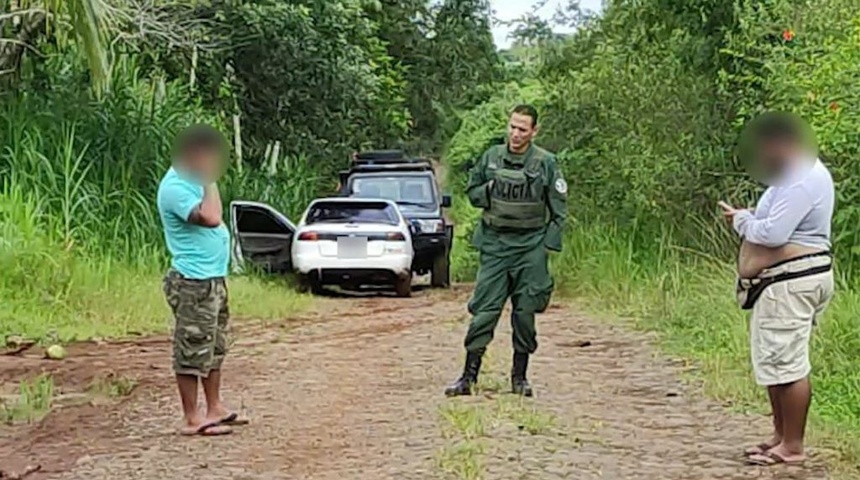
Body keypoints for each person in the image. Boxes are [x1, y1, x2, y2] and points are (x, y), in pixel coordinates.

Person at [721, 112, 834, 466]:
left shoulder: (800, 178)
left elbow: (772, 234)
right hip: (780, 282)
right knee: (775, 359)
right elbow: (777, 221)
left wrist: (741, 220)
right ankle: (780, 436)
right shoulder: (792, 176)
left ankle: (793, 445)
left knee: (788, 363)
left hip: (791, 282)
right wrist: (754, 216)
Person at [444, 104, 568, 398]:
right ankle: (467, 377)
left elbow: (558, 209)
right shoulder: (491, 158)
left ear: (534, 132)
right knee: (484, 311)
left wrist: (547, 246)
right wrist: (489, 189)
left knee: (525, 312)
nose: (515, 134)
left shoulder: (545, 162)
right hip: (496, 244)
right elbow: (473, 194)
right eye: (512, 127)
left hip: (530, 246)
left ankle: (519, 378)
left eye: (522, 129)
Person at [157, 124, 249, 436]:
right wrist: (209, 180)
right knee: (192, 348)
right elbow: (210, 217)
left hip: (212, 279)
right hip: (192, 281)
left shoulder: (194, 180)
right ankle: (192, 418)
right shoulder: (175, 187)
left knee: (214, 346)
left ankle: (214, 407)